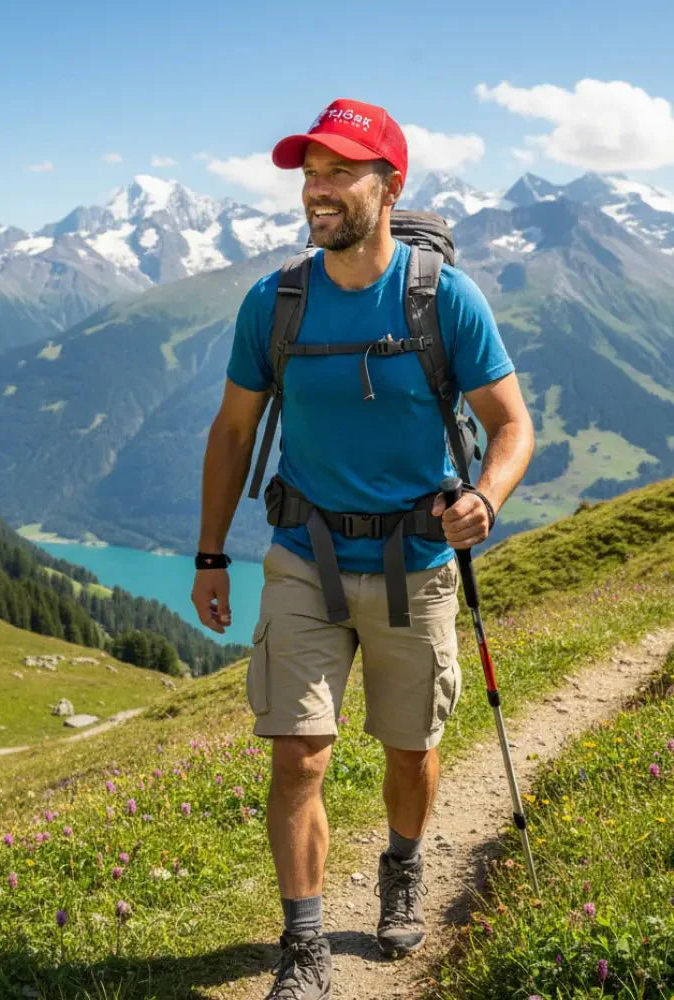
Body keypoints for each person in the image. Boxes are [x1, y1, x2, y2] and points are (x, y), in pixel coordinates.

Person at [190, 98, 534, 999]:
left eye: (341, 172)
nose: (319, 190)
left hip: (415, 561)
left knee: (409, 749)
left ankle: (403, 864)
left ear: (390, 185)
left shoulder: (441, 299)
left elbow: (511, 426)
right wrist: (210, 554)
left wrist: (486, 499)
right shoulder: (276, 302)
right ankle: (303, 948)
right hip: (302, 555)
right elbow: (232, 434)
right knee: (297, 753)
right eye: (311, 174)